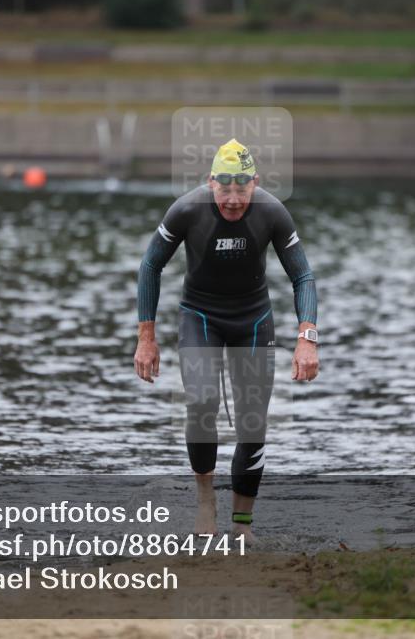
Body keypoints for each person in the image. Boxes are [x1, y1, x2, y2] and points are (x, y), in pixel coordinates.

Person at [134, 138, 319, 539]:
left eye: (242, 188)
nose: (233, 199)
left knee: (253, 422)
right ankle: (206, 504)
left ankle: (241, 524)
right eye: (225, 188)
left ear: (255, 183)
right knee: (202, 403)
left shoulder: (272, 212)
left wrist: (307, 338)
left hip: (253, 320)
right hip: (200, 317)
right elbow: (150, 265)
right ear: (211, 182)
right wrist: (146, 337)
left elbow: (302, 276)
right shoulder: (187, 210)